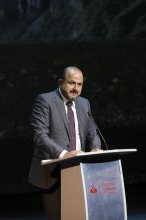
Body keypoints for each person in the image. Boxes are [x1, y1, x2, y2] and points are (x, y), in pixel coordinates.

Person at [28, 66, 101, 220]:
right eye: (71, 83)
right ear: (60, 82)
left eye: (80, 84)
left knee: (79, 216)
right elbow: (40, 136)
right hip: (52, 171)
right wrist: (64, 155)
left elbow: (92, 132)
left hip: (79, 170)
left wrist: (95, 148)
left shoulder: (84, 103)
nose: (76, 88)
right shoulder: (45, 100)